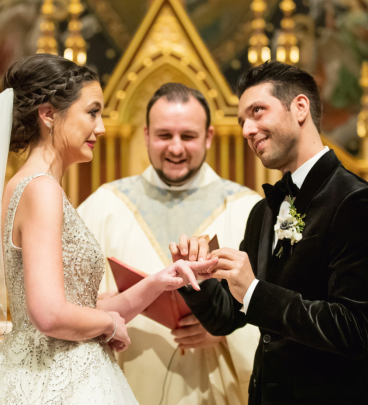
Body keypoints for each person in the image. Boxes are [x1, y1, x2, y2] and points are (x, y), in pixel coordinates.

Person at [0, 54, 215, 405]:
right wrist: (109, 325)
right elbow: (49, 314)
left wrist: (161, 280)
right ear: (49, 114)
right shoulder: (41, 189)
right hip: (58, 380)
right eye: (92, 112)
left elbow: (76, 305)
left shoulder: (28, 185)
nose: (100, 128)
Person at [172, 62, 368, 404]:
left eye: (258, 112)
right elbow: (226, 317)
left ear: (300, 108)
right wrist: (196, 276)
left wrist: (254, 290)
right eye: (242, 121)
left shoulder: (356, 203)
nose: (248, 129)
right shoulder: (262, 213)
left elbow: (354, 329)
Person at [78, 83, 261, 405]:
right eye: (164, 136)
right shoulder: (104, 205)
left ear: (208, 137)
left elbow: (275, 306)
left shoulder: (247, 208)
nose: (175, 148)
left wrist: (226, 329)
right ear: (146, 135)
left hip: (214, 386)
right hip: (125, 380)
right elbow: (67, 299)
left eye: (188, 137)